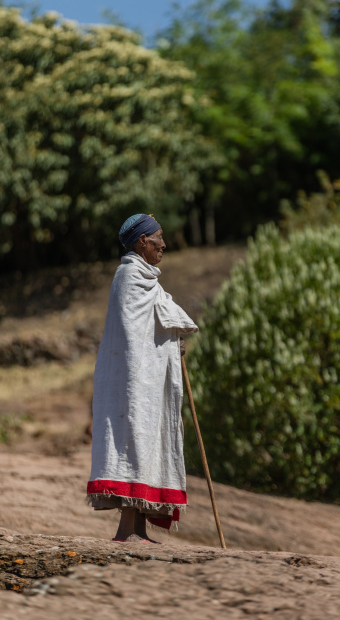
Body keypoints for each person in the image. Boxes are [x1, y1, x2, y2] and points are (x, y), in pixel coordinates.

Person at [87, 213, 198, 543]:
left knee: (148, 443)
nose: (163, 244)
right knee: (132, 442)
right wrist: (165, 342)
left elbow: (155, 324)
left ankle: (138, 529)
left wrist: (170, 343)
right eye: (157, 237)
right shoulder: (127, 276)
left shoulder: (150, 280)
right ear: (141, 242)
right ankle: (126, 530)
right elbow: (131, 336)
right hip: (132, 382)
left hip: (148, 382)